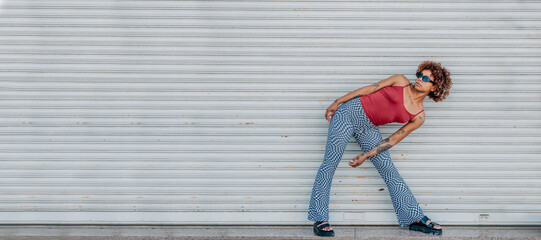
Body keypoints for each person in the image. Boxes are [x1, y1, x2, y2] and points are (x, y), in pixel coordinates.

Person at [308, 61, 453, 237]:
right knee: (329, 163)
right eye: (418, 74)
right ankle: (320, 218)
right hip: (348, 114)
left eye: (425, 78)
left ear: (435, 86)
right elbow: (369, 89)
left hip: (368, 127)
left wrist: (366, 155)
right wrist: (337, 102)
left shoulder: (419, 116)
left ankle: (414, 218)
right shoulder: (400, 80)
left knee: (389, 169)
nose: (419, 79)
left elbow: (392, 140)